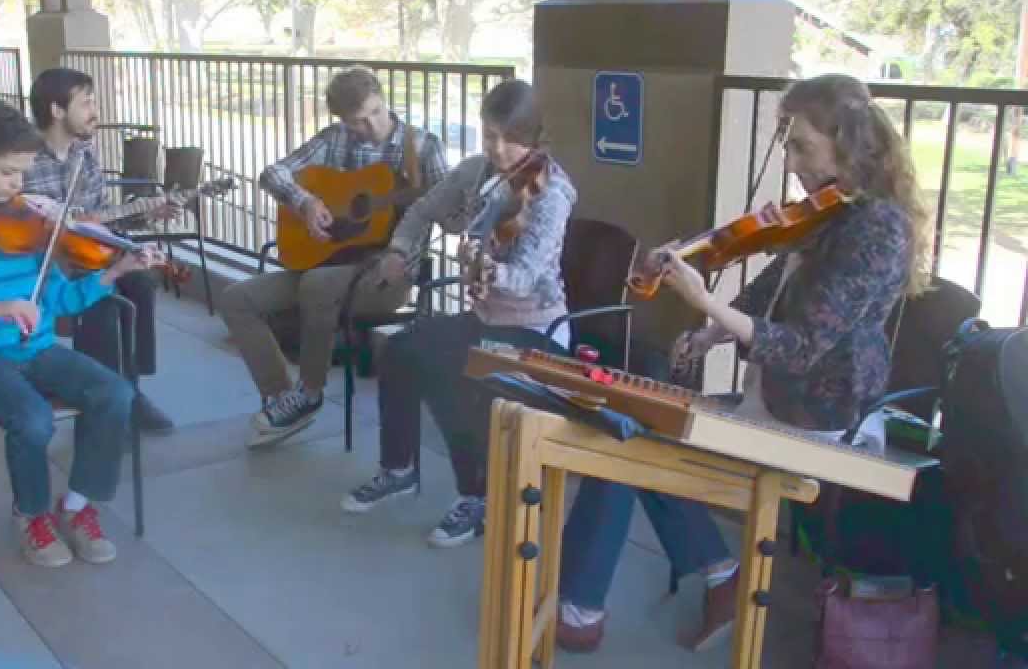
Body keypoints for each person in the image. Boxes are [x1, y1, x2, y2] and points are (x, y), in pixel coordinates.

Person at [554, 73, 930, 653]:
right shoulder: (829, 212)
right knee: (637, 425)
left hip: (818, 415)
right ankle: (716, 577)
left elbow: (802, 346)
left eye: (801, 144)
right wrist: (709, 334)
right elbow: (767, 294)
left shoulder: (877, 230)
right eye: (787, 142)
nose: (789, 158)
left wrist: (703, 300)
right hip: (774, 396)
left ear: (847, 145)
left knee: (630, 442)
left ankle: (584, 608)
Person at [0, 102, 160, 568]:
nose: (19, 187)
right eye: (8, 173)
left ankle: (76, 507)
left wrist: (114, 273)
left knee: (115, 393)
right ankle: (31, 514)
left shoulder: (25, 221)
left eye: (24, 174)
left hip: (36, 348)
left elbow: (55, 301)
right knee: (32, 419)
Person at [340, 79, 577, 547]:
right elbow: (422, 210)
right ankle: (399, 467)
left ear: (534, 138)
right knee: (402, 350)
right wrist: (399, 250)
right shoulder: (475, 174)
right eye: (490, 135)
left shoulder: (552, 194)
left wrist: (486, 268)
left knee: (456, 372)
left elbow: (526, 276)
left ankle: (478, 496)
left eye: (512, 138)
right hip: (486, 321)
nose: (500, 149)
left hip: (537, 328)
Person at [219, 65, 448, 448]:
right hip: (329, 262)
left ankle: (309, 392)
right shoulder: (336, 139)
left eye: (376, 112)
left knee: (317, 285)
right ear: (342, 120)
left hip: (388, 275)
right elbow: (272, 173)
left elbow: (451, 203)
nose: (371, 126)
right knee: (236, 299)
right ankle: (282, 399)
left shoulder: (423, 147)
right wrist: (307, 203)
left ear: (383, 98)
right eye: (358, 121)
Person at [23, 67, 178, 437]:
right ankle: (102, 405)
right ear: (57, 110)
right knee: (103, 305)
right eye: (87, 103)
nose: (95, 111)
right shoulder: (24, 157)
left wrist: (146, 215)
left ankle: (132, 392)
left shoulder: (85, 155)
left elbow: (100, 220)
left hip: (87, 251)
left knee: (140, 282)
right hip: (46, 262)